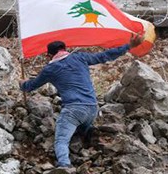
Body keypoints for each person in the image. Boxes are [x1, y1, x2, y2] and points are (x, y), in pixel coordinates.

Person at [19, 33, 144, 170]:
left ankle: (65, 166)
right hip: (92, 108)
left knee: (61, 140)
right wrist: (129, 46)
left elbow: (30, 86)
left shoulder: (50, 69)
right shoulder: (80, 57)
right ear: (64, 50)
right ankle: (87, 136)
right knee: (82, 127)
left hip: (73, 110)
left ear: (49, 56)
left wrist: (22, 84)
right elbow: (105, 56)